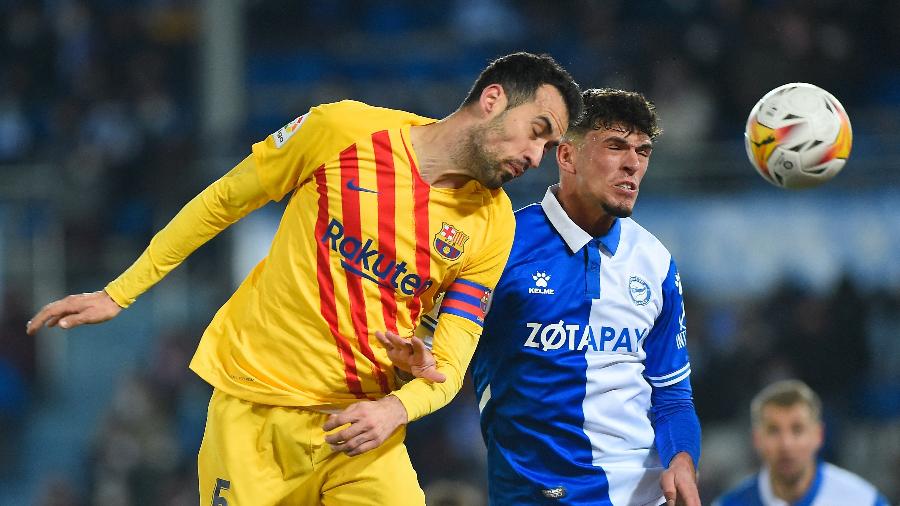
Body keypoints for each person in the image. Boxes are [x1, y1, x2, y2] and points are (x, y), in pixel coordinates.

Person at [25, 52, 583, 505]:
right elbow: (224, 201)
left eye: (549, 147)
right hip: (255, 416)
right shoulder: (341, 129)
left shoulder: (494, 225)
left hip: (360, 428)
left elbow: (455, 354)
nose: (536, 156)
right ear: (492, 100)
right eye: (536, 131)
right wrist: (120, 292)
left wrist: (407, 394)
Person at [384, 88, 701, 505]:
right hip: (536, 496)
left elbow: (672, 394)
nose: (633, 164)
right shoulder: (500, 245)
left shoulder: (656, 263)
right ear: (566, 156)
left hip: (645, 496)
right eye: (615, 146)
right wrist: (416, 361)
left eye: (643, 151)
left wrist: (681, 458)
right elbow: (428, 352)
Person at [714, 379, 889, 506]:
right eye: (774, 430)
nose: (786, 444)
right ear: (757, 439)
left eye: (797, 430)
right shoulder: (729, 503)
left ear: (818, 435)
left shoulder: (863, 501)